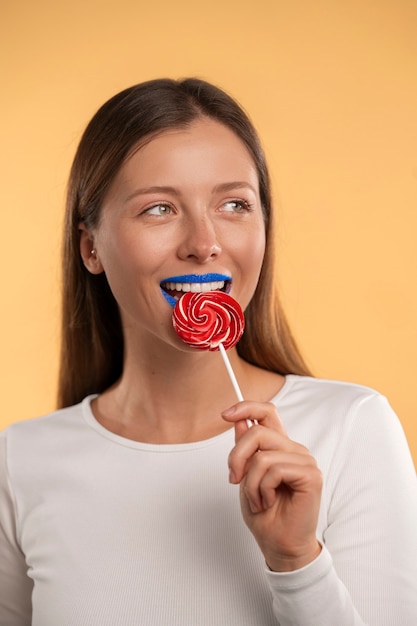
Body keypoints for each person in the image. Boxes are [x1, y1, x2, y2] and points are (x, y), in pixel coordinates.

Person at [0, 78, 416, 626]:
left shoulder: (351, 428)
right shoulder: (20, 460)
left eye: (234, 204)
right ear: (91, 247)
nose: (204, 241)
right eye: (159, 209)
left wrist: (296, 561)